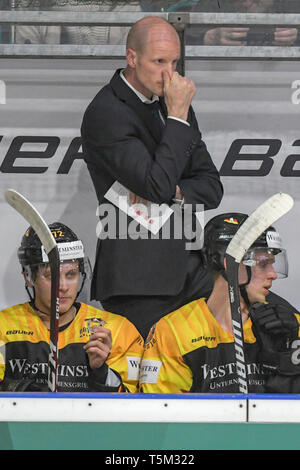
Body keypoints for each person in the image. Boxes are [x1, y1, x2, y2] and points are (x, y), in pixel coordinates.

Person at [81, 16, 223, 340]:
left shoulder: (172, 100)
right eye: (159, 61)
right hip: (138, 280)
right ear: (132, 58)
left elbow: (212, 186)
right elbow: (156, 185)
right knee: (147, 385)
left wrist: (174, 191)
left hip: (192, 268)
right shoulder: (106, 112)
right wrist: (176, 116)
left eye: (175, 62)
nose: (169, 73)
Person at [139, 212, 300, 393]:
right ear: (229, 263)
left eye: (272, 264)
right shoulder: (173, 331)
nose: (273, 274)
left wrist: (289, 357)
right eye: (263, 264)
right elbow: (163, 412)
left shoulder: (291, 324)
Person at [0, 222, 143, 392]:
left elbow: (133, 407)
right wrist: (24, 390)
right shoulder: (3, 326)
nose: (63, 286)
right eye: (51, 276)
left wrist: (101, 372)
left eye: (71, 275)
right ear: (28, 278)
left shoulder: (119, 330)